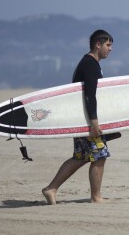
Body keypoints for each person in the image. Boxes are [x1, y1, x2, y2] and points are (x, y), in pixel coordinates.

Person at [42, 29, 114, 205]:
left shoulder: (89, 62)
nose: (110, 49)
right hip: (86, 120)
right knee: (100, 154)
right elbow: (90, 95)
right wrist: (94, 123)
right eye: (108, 45)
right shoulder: (90, 64)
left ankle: (51, 188)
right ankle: (96, 197)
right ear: (98, 44)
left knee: (80, 157)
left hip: (80, 118)